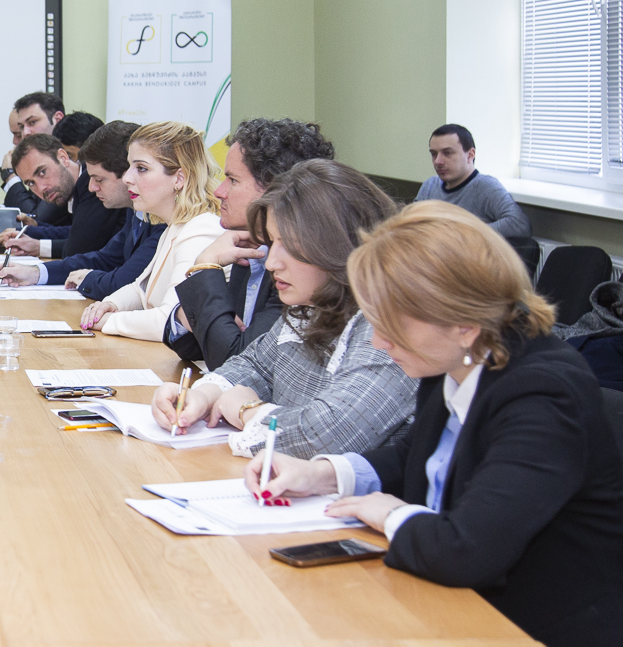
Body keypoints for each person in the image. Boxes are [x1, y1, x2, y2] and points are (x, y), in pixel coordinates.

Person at [246, 202, 623, 646]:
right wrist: (324, 474)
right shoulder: (454, 358)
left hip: (530, 627)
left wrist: (392, 514)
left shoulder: (544, 394)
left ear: (464, 322)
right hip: (450, 604)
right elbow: (420, 456)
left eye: (392, 325)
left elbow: (467, 549)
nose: (379, 342)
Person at [150, 159, 415, 459]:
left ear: (336, 243)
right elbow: (255, 365)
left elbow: (327, 436)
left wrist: (248, 411)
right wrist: (203, 396)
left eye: (288, 244)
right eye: (273, 242)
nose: (272, 262)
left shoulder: (389, 327)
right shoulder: (309, 306)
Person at [164, 118, 336, 369]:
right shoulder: (249, 245)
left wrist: (205, 266)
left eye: (233, 180)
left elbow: (234, 360)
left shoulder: (300, 266)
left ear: (276, 189)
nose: (219, 192)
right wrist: (186, 315)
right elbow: (195, 347)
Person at [78, 122, 224, 341]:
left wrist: (109, 321)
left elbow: (171, 320)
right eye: (130, 166)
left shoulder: (200, 231)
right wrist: (111, 304)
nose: (127, 178)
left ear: (180, 178)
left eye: (141, 168)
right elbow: (143, 288)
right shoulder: (176, 227)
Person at [0, 121, 167, 300]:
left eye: (99, 179)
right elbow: (105, 259)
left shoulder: (163, 218)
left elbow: (125, 282)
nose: (91, 187)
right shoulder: (137, 212)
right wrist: (35, 273)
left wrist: (87, 278)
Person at [0, 134, 127, 259]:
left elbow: (77, 249)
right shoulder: (71, 188)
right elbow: (77, 232)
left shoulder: (91, 183)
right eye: (31, 183)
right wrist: (33, 228)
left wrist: (38, 247)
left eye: (42, 172)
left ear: (63, 158)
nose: (41, 188)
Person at [415, 124, 530, 238]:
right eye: (434, 154)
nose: (438, 161)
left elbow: (519, 224)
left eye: (447, 153)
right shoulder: (430, 186)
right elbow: (412, 224)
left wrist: (465, 234)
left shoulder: (486, 187)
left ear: (470, 155)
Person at [0, 103, 67, 224]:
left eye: (32, 122)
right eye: (21, 128)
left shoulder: (66, 158)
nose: (25, 133)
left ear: (57, 120)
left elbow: (37, 217)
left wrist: (10, 176)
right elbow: (35, 205)